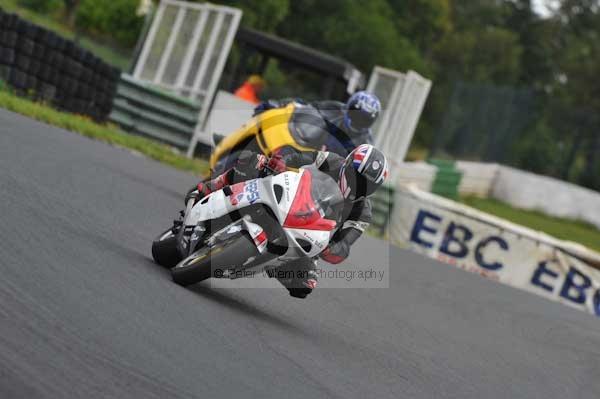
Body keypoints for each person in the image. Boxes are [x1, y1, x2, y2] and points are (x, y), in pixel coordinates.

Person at [186, 144, 389, 299]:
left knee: (304, 285)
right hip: (291, 200)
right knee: (253, 160)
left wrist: (333, 250)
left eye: (368, 184)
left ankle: (273, 264)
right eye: (358, 177)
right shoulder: (331, 161)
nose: (360, 185)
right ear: (347, 164)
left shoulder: (363, 213)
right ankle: (211, 187)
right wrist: (282, 160)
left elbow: (346, 242)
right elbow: (298, 154)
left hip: (308, 235)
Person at [253, 91, 382, 157]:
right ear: (348, 108)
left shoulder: (365, 145)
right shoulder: (335, 108)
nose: (358, 121)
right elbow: (305, 105)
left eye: (364, 120)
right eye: (356, 115)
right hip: (303, 153)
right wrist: (278, 104)